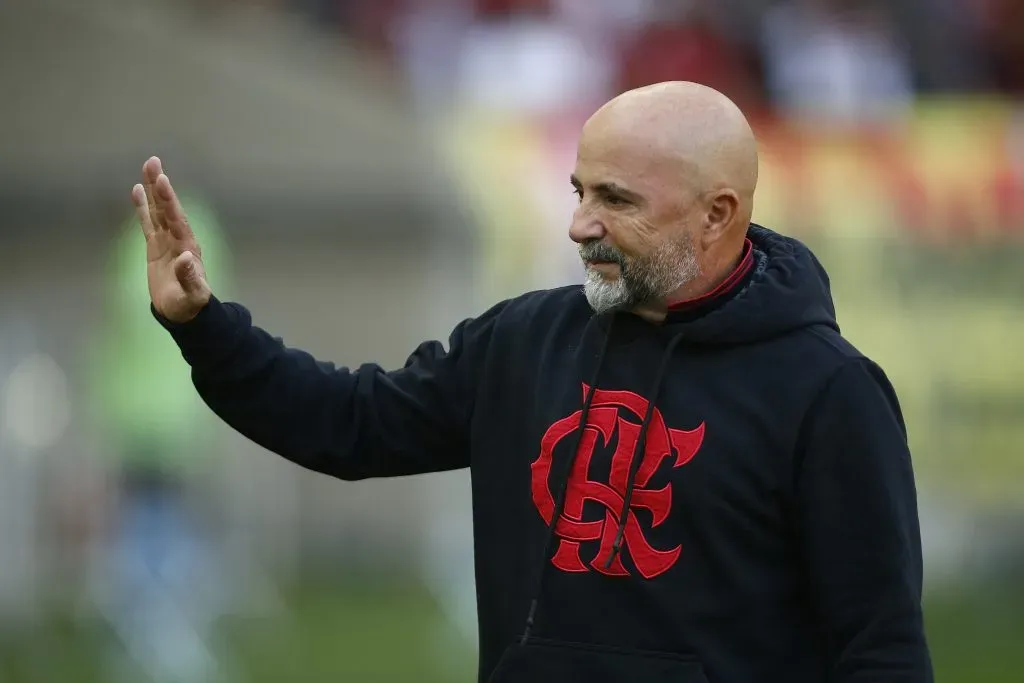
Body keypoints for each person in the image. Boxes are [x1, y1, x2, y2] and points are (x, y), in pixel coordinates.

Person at [133, 82, 933, 683]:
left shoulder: (830, 391)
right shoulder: (523, 340)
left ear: (717, 214)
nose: (581, 223)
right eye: (579, 191)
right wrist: (205, 326)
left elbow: (881, 647)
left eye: (616, 199)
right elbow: (347, 423)